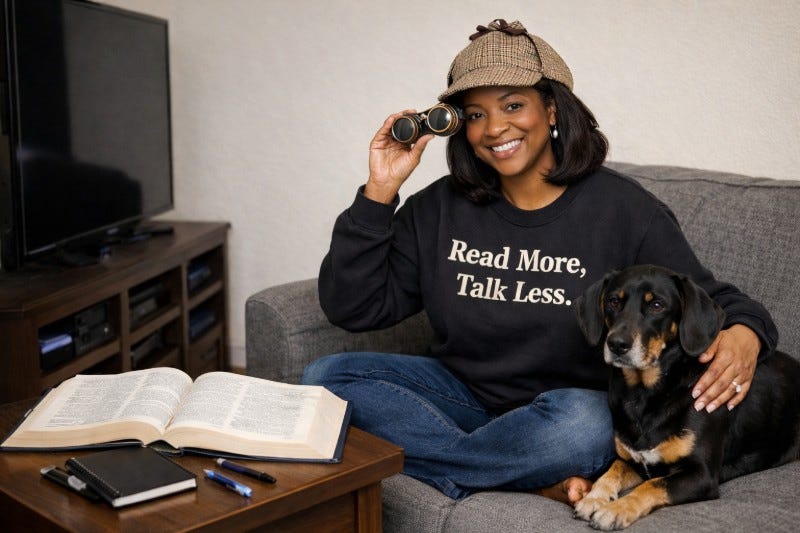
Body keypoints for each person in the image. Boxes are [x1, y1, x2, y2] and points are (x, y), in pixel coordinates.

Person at [302, 19, 777, 505]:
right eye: (475, 114)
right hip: (459, 399)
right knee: (327, 379)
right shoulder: (440, 208)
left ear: (550, 108)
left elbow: (710, 299)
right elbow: (353, 308)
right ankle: (521, 473)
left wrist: (748, 334)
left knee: (585, 426)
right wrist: (380, 191)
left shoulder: (625, 211)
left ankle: (486, 465)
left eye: (512, 105)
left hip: (566, 411)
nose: (495, 129)